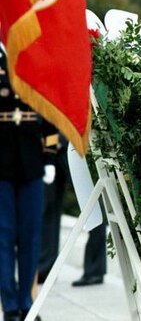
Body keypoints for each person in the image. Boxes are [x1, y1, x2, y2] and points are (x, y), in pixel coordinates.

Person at [0, 40, 56, 321]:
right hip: (2, 162)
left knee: (31, 237)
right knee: (4, 236)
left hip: (33, 160)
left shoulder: (34, 56)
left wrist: (50, 156)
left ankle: (28, 302)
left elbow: (50, 110)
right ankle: (10, 306)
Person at [38, 134, 69, 283]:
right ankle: (45, 268)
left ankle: (45, 268)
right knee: (48, 209)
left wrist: (57, 141)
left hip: (60, 149)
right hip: (48, 149)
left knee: (49, 210)